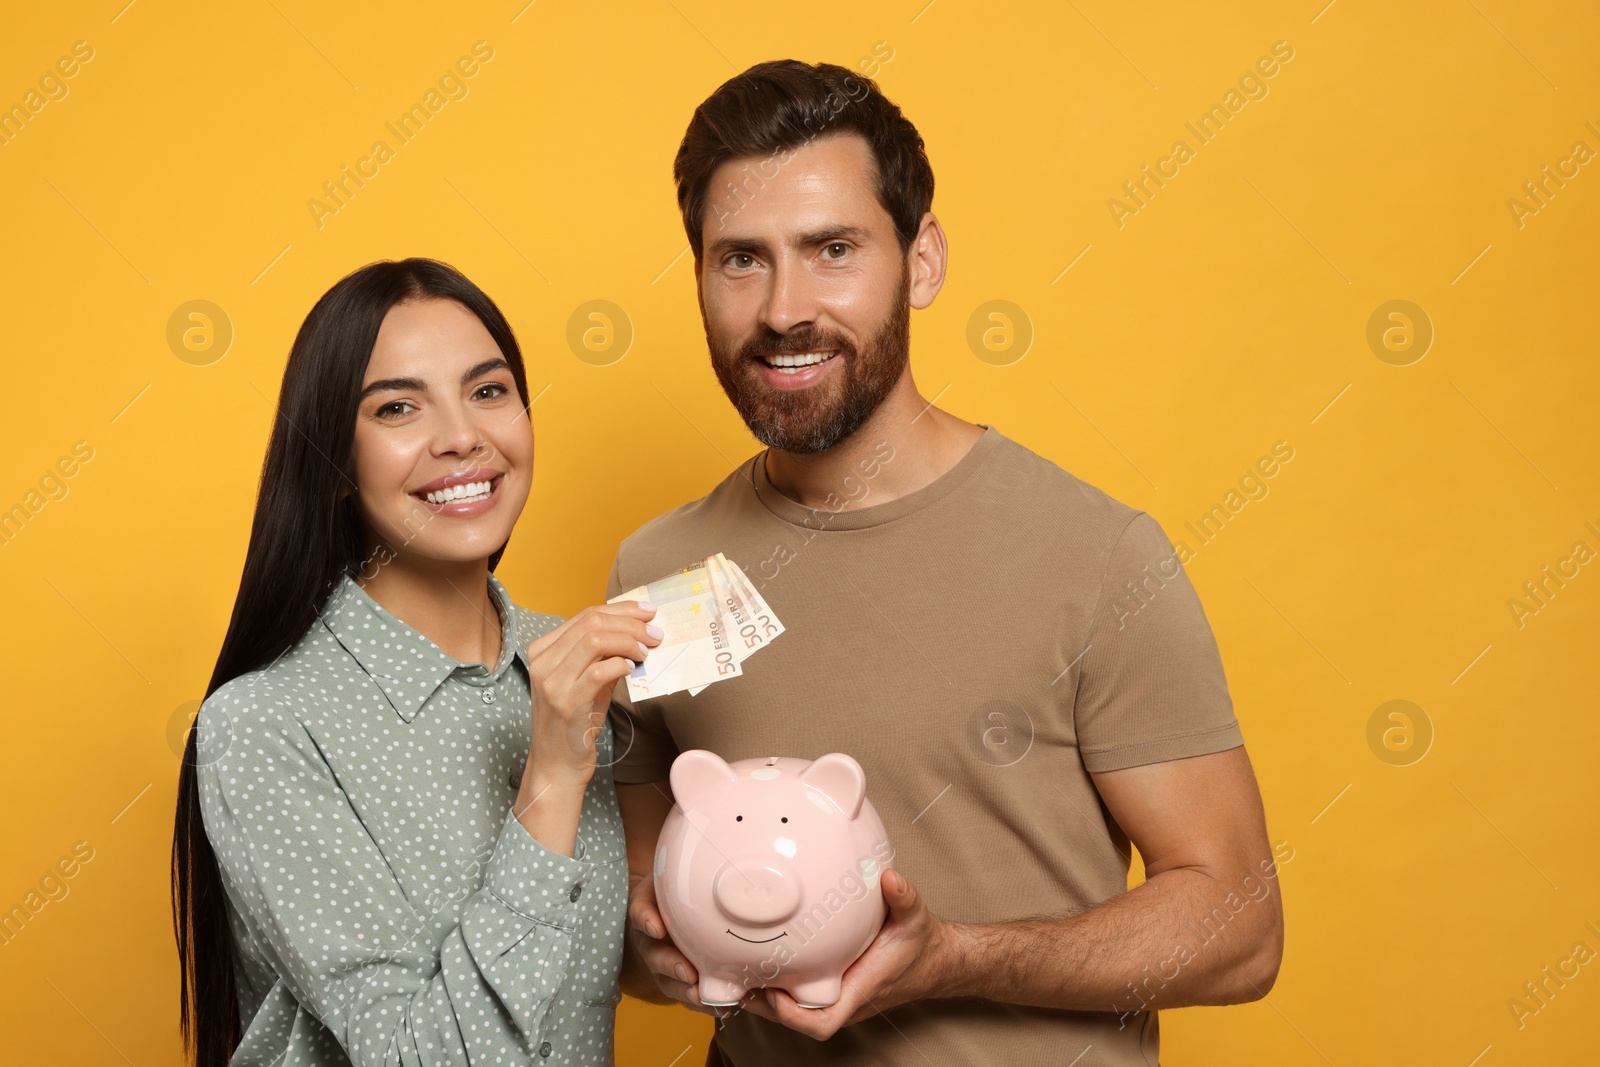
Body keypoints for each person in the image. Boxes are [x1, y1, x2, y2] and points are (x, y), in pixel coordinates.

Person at [610, 61, 1285, 1065]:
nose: (784, 306)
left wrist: (954, 956)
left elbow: (1238, 929)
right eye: (739, 259)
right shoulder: (659, 569)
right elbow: (640, 911)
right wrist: (658, 950)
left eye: (832, 248)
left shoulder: (1094, 554)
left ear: (920, 260)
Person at [170, 258, 661, 1067]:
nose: (463, 435)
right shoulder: (264, 727)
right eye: (398, 406)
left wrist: (684, 950)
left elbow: (575, 975)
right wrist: (551, 772)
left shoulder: (576, 667)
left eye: (489, 390)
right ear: (332, 458)